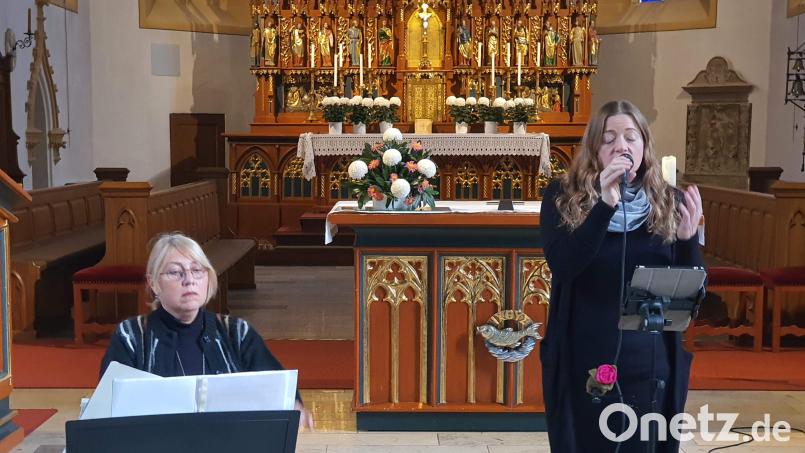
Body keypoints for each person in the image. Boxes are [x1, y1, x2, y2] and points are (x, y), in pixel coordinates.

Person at [539, 100, 703, 452]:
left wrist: (689, 242)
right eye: (609, 138)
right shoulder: (561, 197)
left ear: (644, 146)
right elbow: (565, 266)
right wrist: (605, 204)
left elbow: (690, 296)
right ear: (595, 149)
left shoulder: (668, 200)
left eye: (631, 137)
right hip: (587, 352)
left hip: (650, 356)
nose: (621, 146)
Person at [100, 233, 314, 430]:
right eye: (175, 272)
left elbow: (274, 383)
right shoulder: (132, 337)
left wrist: (292, 403)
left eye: (197, 270)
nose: (189, 280)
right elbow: (109, 407)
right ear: (154, 283)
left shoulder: (236, 333)